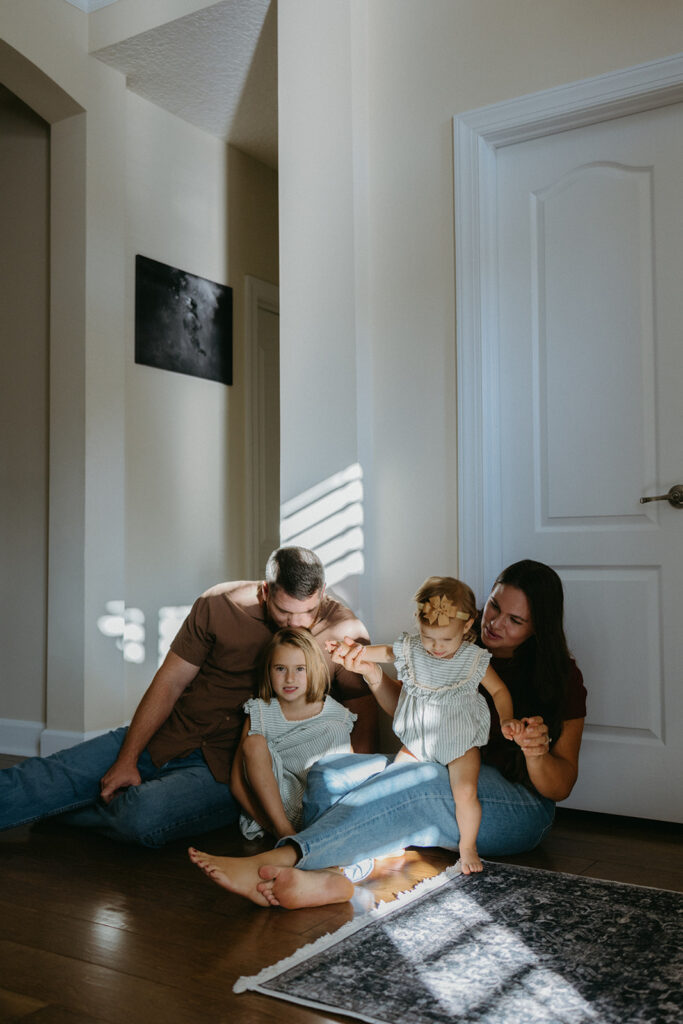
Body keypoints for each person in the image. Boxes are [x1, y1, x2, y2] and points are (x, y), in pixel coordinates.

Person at [188, 559, 587, 907]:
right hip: (433, 765)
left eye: (515, 621)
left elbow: (561, 786)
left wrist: (535, 752)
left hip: (517, 806)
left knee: (420, 781)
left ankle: (280, 859)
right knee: (330, 773)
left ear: (538, 628)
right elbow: (415, 715)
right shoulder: (451, 636)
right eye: (495, 605)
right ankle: (333, 878)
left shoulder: (559, 676)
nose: (495, 623)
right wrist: (373, 675)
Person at [0, 547, 375, 846]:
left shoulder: (343, 631)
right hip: (171, 732)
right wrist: (128, 757)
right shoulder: (218, 604)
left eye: (307, 611)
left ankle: (55, 813)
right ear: (266, 591)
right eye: (283, 610)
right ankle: (52, 800)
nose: (296, 623)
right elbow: (169, 683)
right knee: (49, 775)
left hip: (228, 769)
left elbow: (363, 714)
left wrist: (342, 796)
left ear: (321, 595)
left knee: (140, 815)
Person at [327, 576, 522, 874]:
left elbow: (499, 691)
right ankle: (392, 837)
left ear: (467, 625)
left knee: (465, 793)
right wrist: (349, 651)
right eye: (429, 638)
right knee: (393, 782)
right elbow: (382, 653)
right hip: (419, 741)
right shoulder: (414, 649)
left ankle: (468, 846)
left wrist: (507, 718)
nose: (436, 648)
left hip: (460, 742)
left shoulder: (472, 658)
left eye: (446, 640)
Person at [232, 627, 356, 840]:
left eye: (300, 669)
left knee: (336, 729)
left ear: (314, 669)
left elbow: (350, 775)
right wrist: (272, 827)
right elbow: (237, 783)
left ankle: (327, 832)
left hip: (321, 806)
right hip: (275, 810)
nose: (290, 678)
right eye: (280, 669)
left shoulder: (336, 714)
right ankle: (286, 834)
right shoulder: (260, 712)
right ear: (268, 671)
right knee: (254, 743)